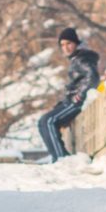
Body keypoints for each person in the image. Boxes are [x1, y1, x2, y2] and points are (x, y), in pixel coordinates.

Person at [37, 27, 100, 163]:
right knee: (43, 122)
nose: (65, 47)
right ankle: (59, 156)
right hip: (69, 101)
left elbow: (93, 77)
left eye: (69, 44)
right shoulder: (76, 59)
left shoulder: (82, 59)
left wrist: (81, 95)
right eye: (62, 45)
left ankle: (60, 159)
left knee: (48, 121)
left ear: (76, 43)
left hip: (76, 102)